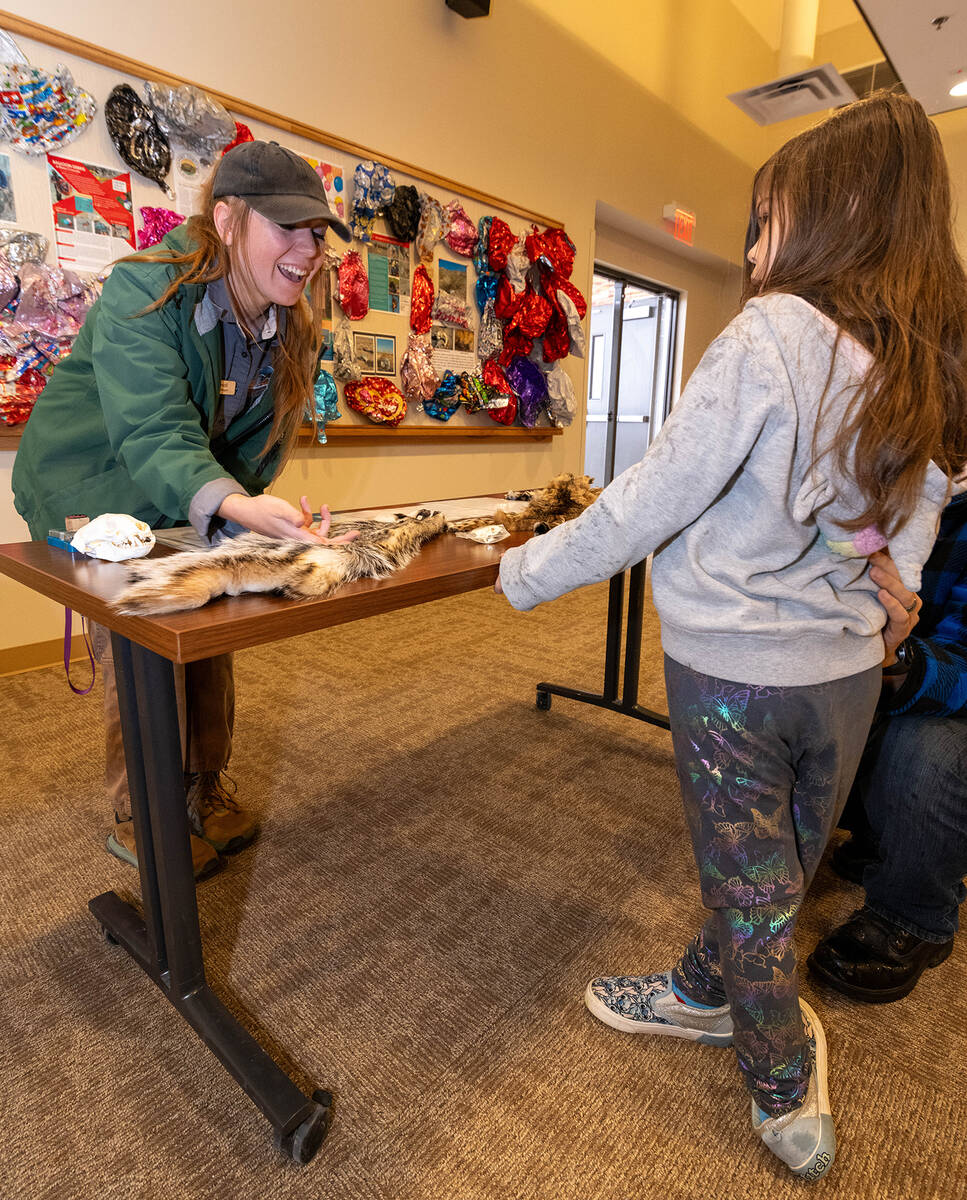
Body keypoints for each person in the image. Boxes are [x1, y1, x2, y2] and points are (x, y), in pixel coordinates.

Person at [495, 93, 967, 1180]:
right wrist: (885, 575)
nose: (753, 255)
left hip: (736, 675)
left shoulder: (772, 336)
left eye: (764, 224)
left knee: (750, 887)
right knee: (780, 870)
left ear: (835, 215)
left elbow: (647, 500)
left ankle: (778, 1084)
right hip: (846, 671)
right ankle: (703, 988)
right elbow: (923, 506)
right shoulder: (922, 352)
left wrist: (522, 570)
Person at [13, 140, 356, 879]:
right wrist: (234, 505)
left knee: (210, 622)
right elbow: (152, 429)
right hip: (92, 487)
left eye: (318, 233)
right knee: (144, 636)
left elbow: (258, 446)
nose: (308, 250)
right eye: (287, 227)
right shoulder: (146, 287)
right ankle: (143, 813)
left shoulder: (291, 320)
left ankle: (204, 786)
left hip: (190, 491)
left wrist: (253, 521)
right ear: (227, 219)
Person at [807, 493, 967, 1002]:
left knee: (927, 751)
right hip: (873, 651)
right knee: (792, 713)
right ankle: (881, 837)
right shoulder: (889, 482)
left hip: (943, 684)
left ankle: (915, 914)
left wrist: (897, 659)